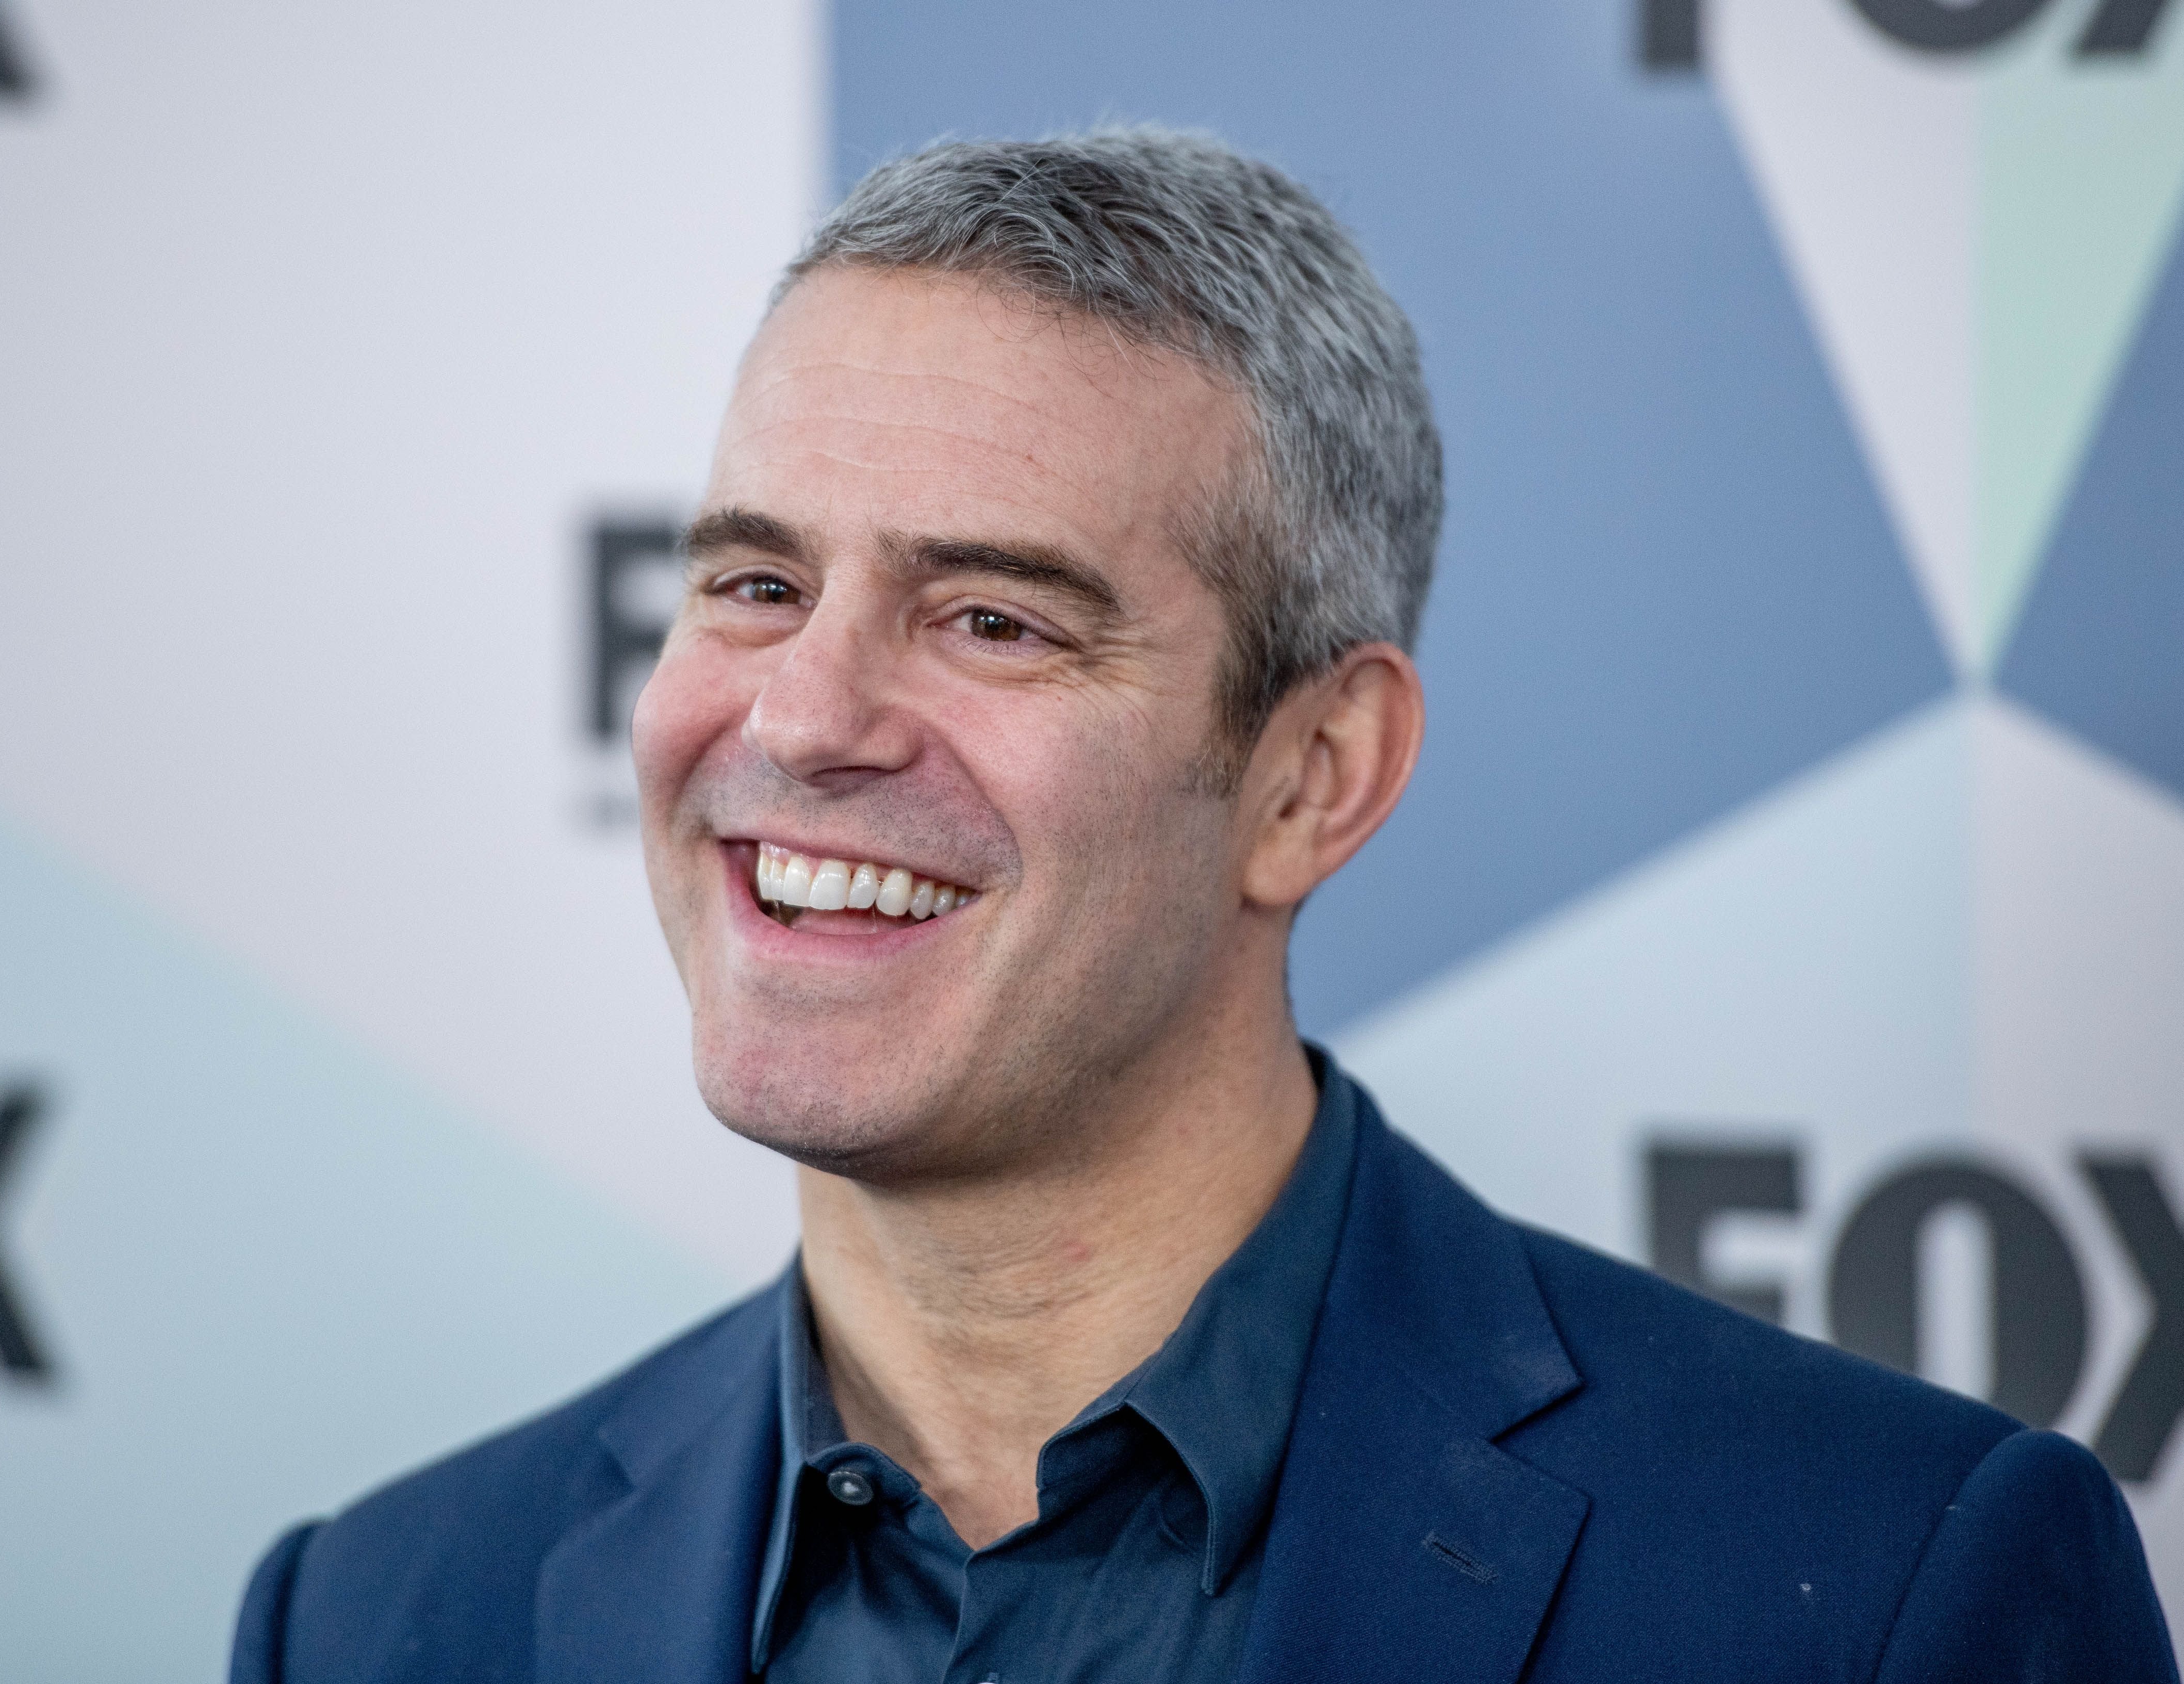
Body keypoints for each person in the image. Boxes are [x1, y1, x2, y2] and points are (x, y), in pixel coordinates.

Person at [229, 129, 2174, 1682]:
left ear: (1312, 775)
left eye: (991, 617)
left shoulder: (1884, 1585)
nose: (804, 716)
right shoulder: (381, 1616)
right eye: (753, 585)